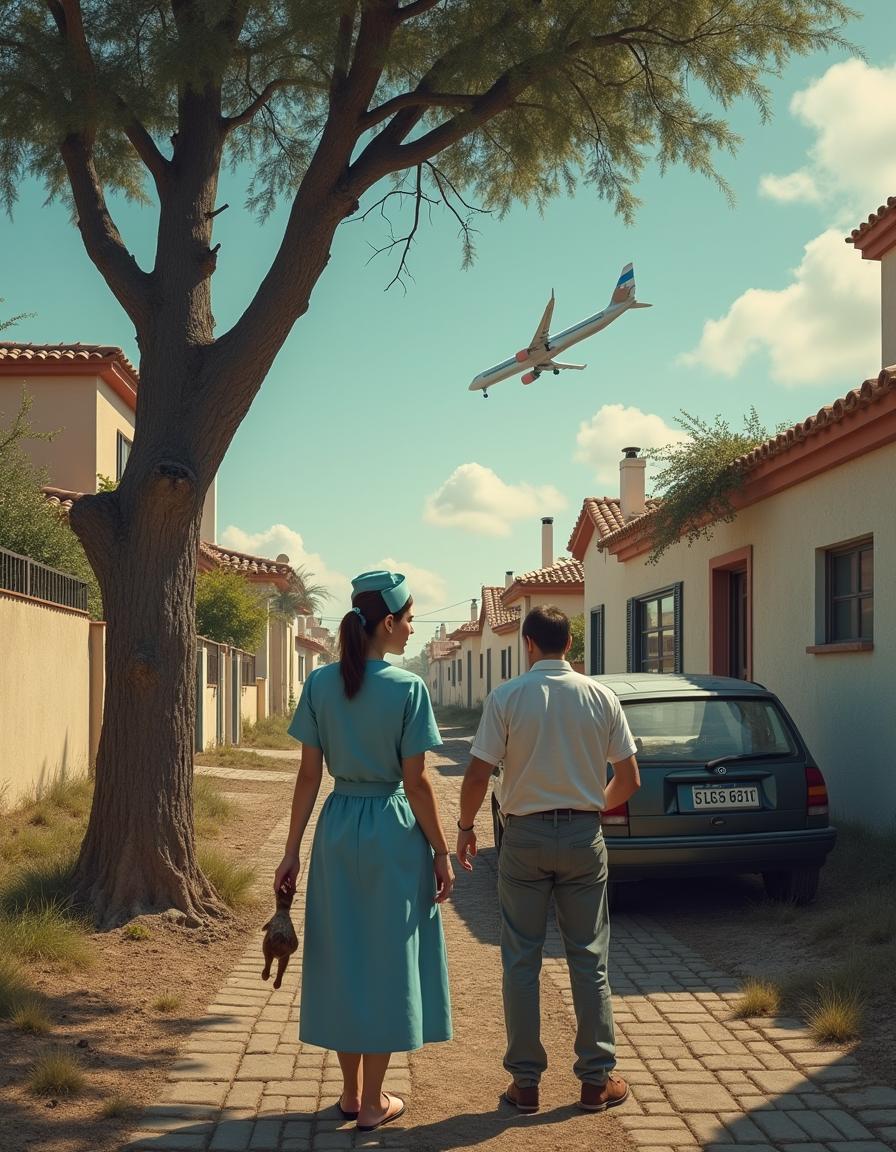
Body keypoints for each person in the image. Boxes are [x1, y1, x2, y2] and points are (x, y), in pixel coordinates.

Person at [274, 570, 453, 1132]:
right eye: (408, 618)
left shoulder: (321, 683)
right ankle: (374, 1102)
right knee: (388, 959)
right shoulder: (408, 689)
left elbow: (307, 776)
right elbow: (418, 783)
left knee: (343, 953)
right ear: (386, 622)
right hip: (392, 831)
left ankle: (350, 1094)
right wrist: (442, 851)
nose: (411, 628)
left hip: (335, 825)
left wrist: (290, 851)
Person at [456, 605, 640, 1114]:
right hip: (584, 836)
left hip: (523, 839)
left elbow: (476, 776)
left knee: (521, 959)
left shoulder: (508, 697)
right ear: (570, 646)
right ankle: (595, 1081)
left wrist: (467, 828)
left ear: (528, 645)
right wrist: (589, 806)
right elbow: (629, 780)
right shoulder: (602, 697)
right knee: (589, 958)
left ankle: (526, 1085)